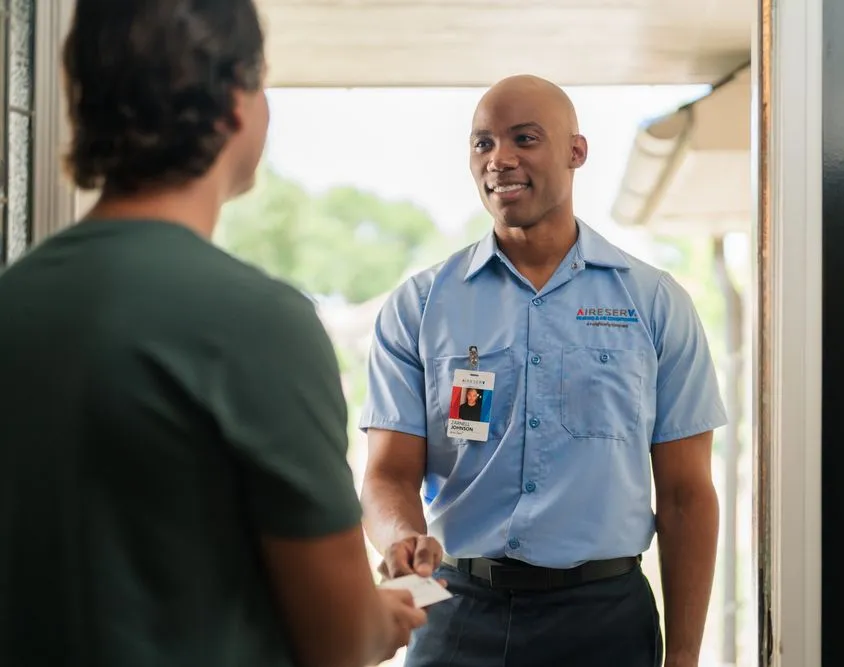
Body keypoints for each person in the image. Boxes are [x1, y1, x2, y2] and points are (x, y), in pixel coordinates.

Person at [0, 2, 424, 666]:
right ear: (234, 100)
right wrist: (387, 613)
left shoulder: (14, 301)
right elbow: (339, 639)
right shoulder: (262, 325)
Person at [360, 74, 727, 667]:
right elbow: (386, 476)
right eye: (482, 144)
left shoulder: (654, 303)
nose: (499, 159)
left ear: (575, 152)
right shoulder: (421, 307)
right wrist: (402, 537)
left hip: (605, 621)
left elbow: (686, 495)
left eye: (523, 139)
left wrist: (683, 654)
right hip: (454, 611)